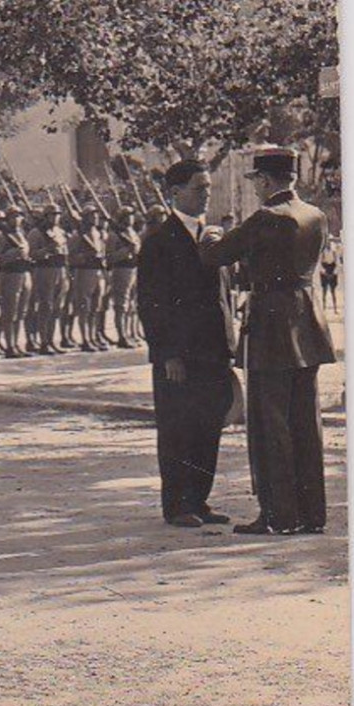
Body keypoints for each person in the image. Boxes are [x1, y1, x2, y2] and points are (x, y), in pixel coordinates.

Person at [198, 147, 336, 536]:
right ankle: (311, 513)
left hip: (271, 325)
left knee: (269, 424)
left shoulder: (266, 217)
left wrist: (211, 232)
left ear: (265, 181)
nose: (256, 187)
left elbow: (215, 255)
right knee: (306, 422)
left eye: (256, 181)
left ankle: (278, 514)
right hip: (307, 323)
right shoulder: (315, 215)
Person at [135, 162, 235, 529]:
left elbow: (222, 295)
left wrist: (229, 343)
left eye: (208, 187)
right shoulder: (160, 241)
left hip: (213, 351)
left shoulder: (213, 237)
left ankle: (199, 499)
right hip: (180, 355)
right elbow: (151, 304)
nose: (206, 194)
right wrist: (167, 354)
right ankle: (177, 504)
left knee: (208, 427)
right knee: (179, 429)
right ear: (175, 192)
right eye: (198, 188)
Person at [27, 204, 69, 355]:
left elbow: (65, 251)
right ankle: (43, 340)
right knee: (46, 306)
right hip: (44, 269)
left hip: (60, 269)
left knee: (57, 307)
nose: (55, 217)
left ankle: (51, 339)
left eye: (57, 214)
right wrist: (46, 250)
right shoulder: (36, 233)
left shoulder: (60, 232)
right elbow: (31, 254)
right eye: (52, 214)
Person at [68, 206, 109, 351]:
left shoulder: (98, 234)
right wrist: (85, 256)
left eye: (96, 214)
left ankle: (93, 336)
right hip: (84, 271)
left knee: (95, 307)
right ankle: (85, 338)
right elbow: (71, 257)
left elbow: (103, 252)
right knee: (84, 307)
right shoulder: (78, 235)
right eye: (92, 215)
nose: (96, 217)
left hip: (98, 271)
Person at [0, 209, 32, 358]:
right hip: (10, 274)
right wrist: (9, 256)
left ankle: (16, 343)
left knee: (21, 311)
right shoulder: (3, 237)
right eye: (13, 216)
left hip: (24, 273)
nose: (17, 219)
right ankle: (9, 345)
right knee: (10, 311)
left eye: (19, 216)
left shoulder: (22, 234)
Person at [106, 207, 143, 347]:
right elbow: (109, 257)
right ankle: (121, 335)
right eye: (128, 216)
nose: (131, 218)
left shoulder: (132, 233)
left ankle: (128, 333)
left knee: (131, 305)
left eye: (132, 216)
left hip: (134, 268)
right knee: (121, 304)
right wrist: (125, 251)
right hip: (121, 269)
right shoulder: (114, 235)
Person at [320, 234, 341, 312]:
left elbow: (337, 262)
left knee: (333, 291)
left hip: (332, 269)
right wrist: (323, 271)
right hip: (325, 269)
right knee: (324, 290)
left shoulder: (334, 251)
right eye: (327, 241)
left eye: (329, 241)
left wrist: (334, 272)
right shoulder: (322, 251)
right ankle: (324, 308)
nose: (328, 243)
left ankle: (335, 308)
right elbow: (320, 262)